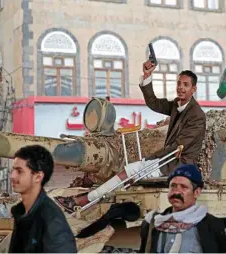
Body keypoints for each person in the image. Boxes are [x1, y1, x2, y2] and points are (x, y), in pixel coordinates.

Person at [54, 60, 206, 213]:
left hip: (179, 164)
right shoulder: (176, 104)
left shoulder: (197, 116)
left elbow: (178, 146)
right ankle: (83, 200)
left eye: (185, 85)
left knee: (129, 172)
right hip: (166, 160)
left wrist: (150, 158)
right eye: (179, 83)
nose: (180, 87)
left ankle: (81, 201)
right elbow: (153, 103)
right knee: (127, 173)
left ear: (193, 89)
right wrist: (147, 76)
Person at [139, 164, 226, 253]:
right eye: (173, 186)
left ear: (196, 192)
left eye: (183, 187)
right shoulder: (153, 222)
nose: (176, 191)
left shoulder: (213, 225)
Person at [8, 145, 77, 253]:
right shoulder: (22, 212)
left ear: (38, 177)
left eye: (19, 171)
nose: (12, 176)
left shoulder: (52, 221)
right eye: (13, 170)